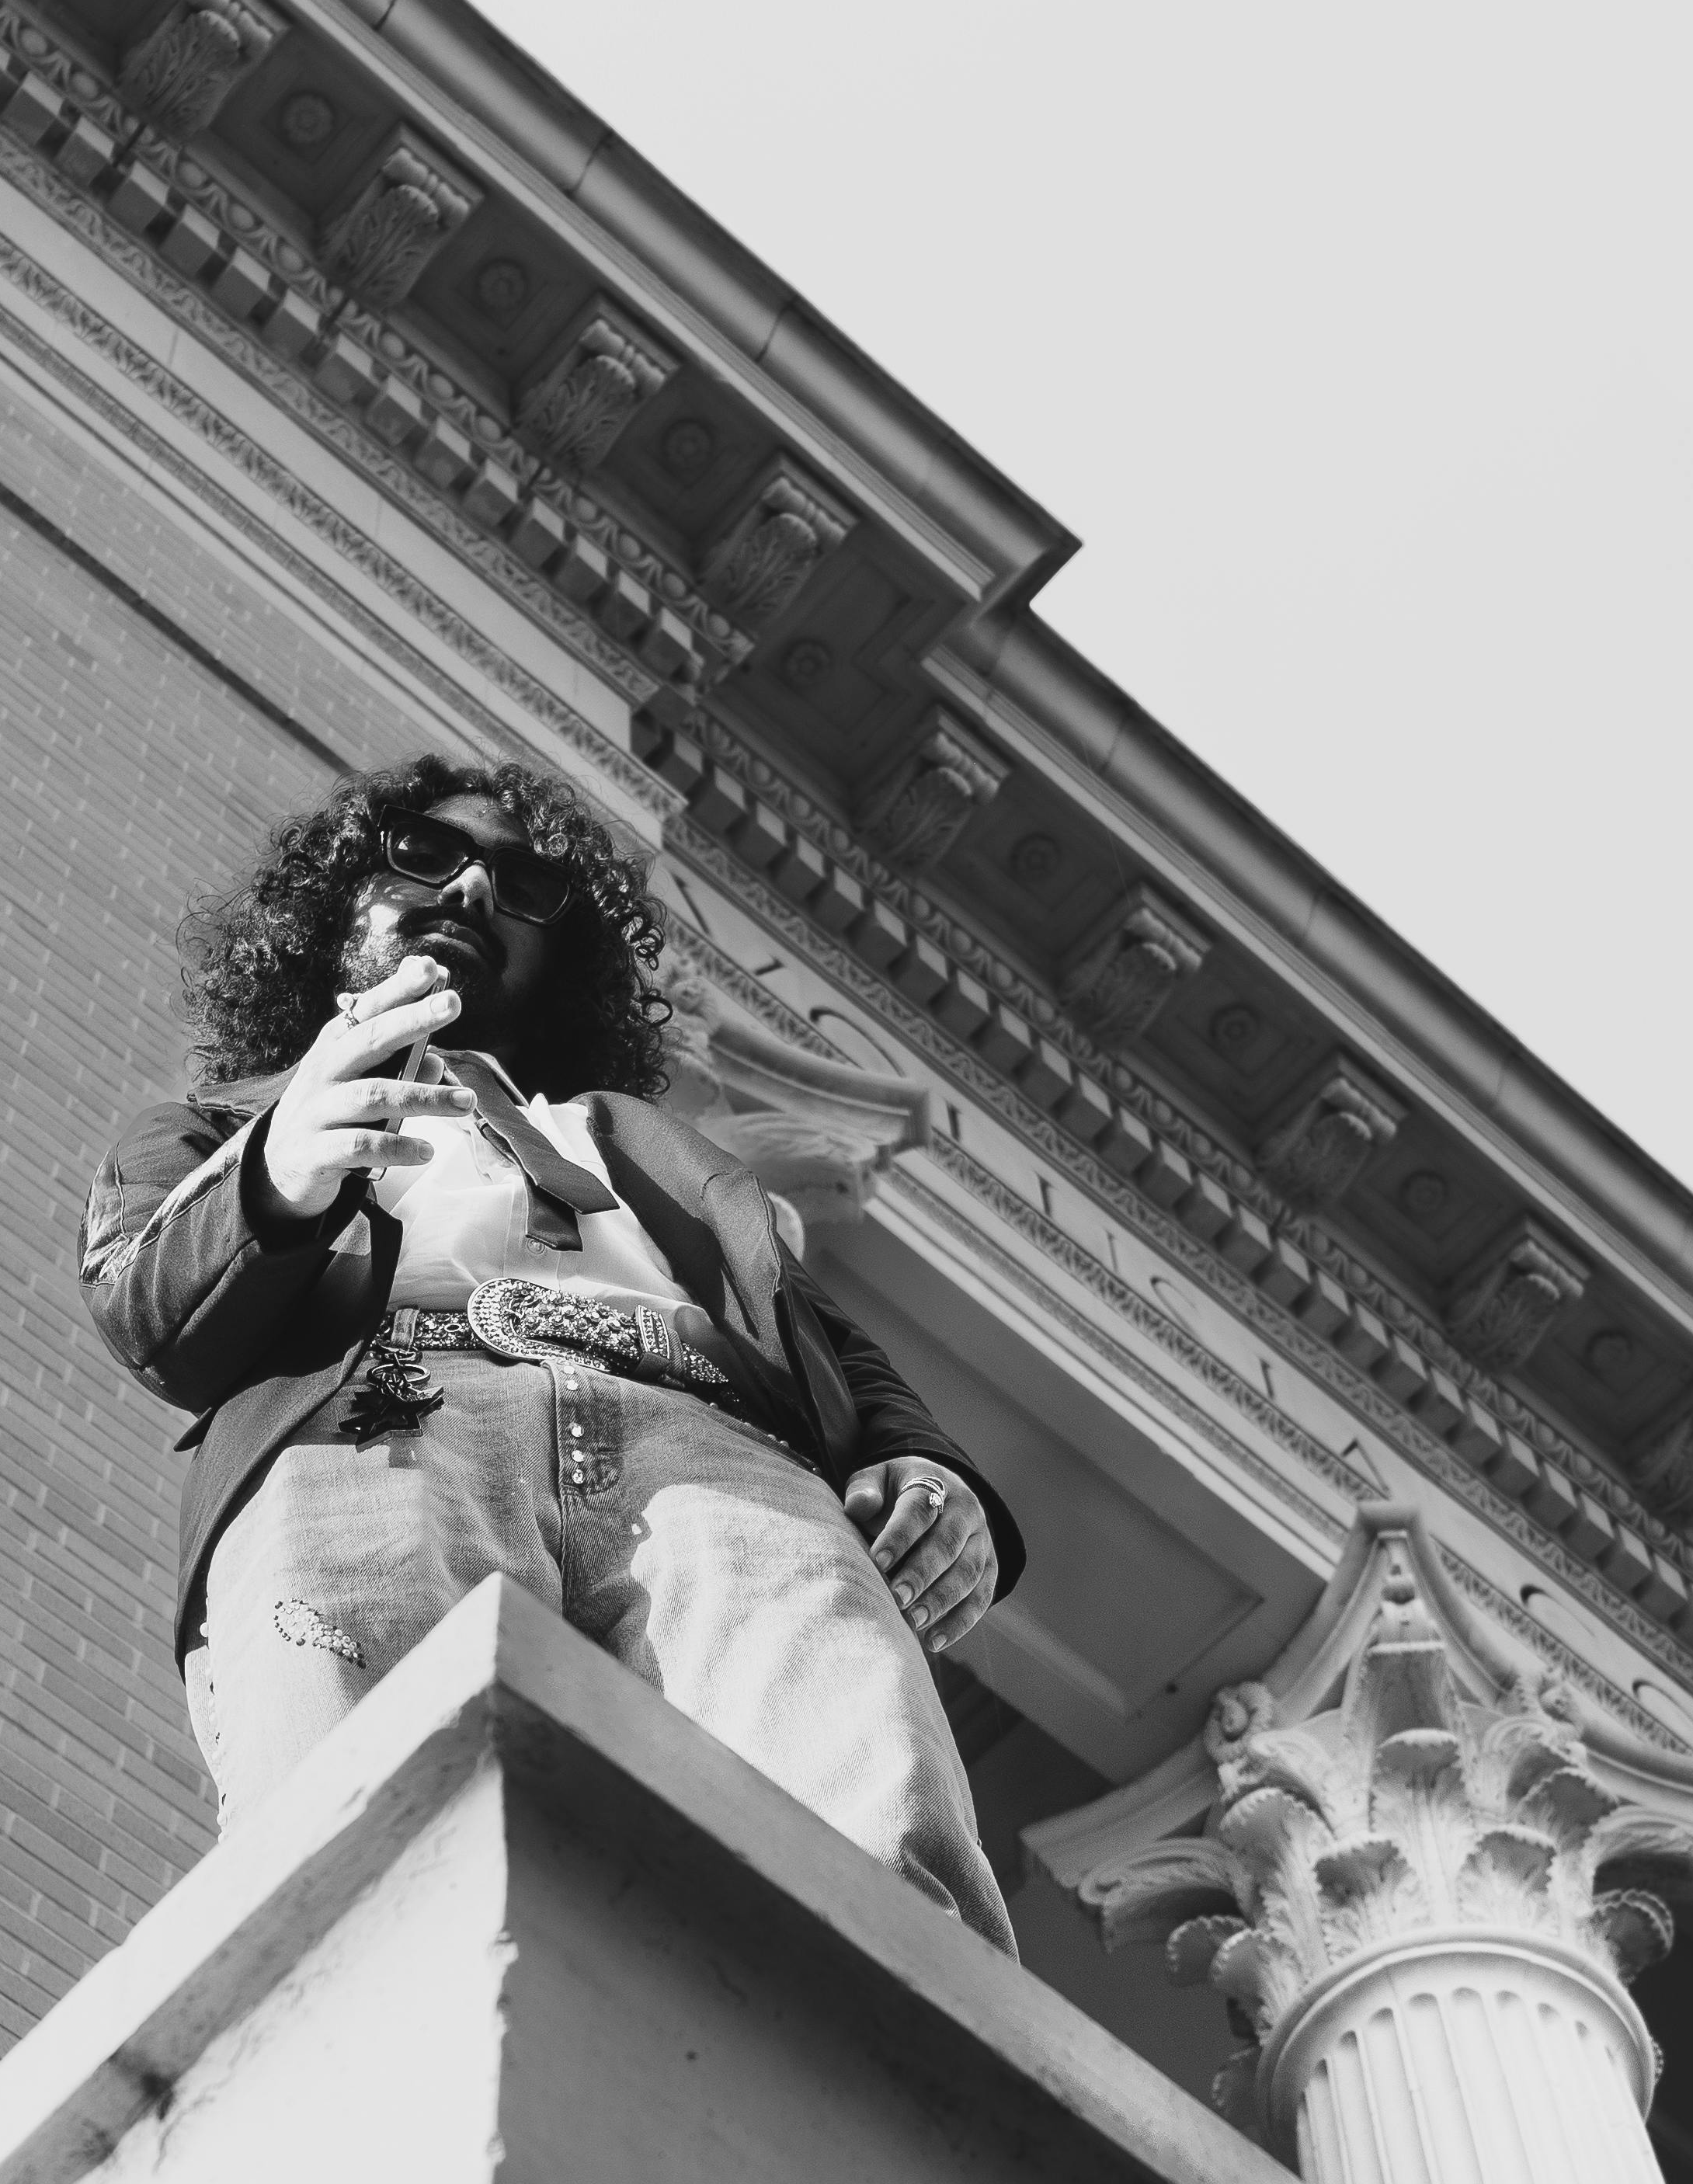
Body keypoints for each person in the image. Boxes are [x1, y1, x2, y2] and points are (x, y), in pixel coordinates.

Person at [82, 754, 1021, 1944]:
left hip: (716, 1456)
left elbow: (815, 1333)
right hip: (391, 1422)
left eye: (526, 886)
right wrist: (274, 1170)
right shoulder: (219, 1128)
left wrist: (921, 1458)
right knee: (363, 1836)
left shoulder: (639, 1147)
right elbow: (146, 1309)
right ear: (337, 898)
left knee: (870, 1836)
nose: (474, 888)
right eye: (427, 853)